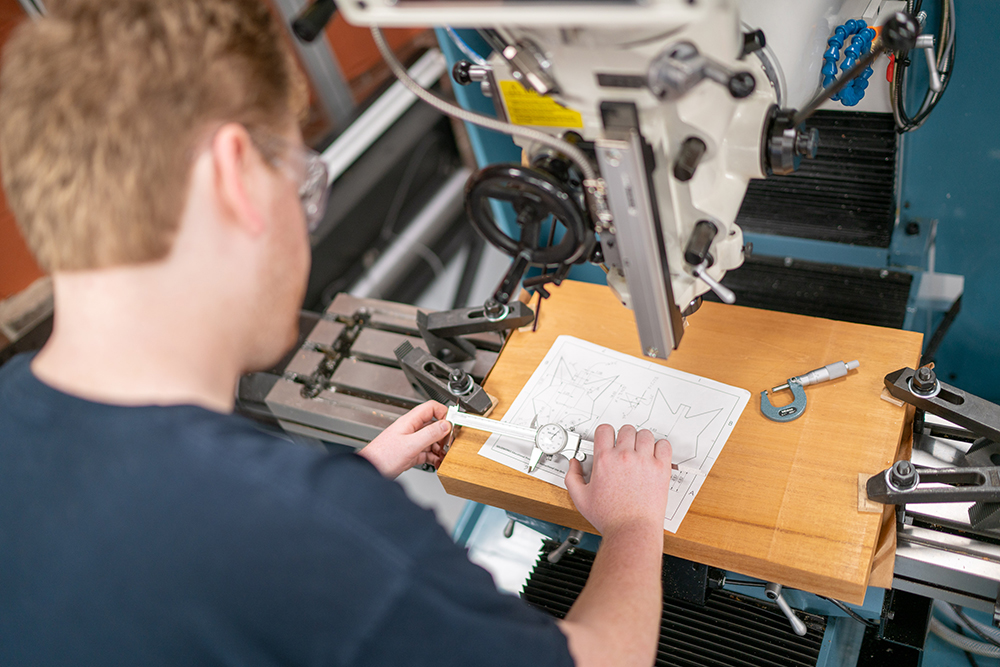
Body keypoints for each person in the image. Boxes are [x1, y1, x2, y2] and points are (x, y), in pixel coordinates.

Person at [0, 1, 674, 665]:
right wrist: (634, 525)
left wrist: (346, 481)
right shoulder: (317, 532)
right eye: (302, 181)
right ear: (235, 176)